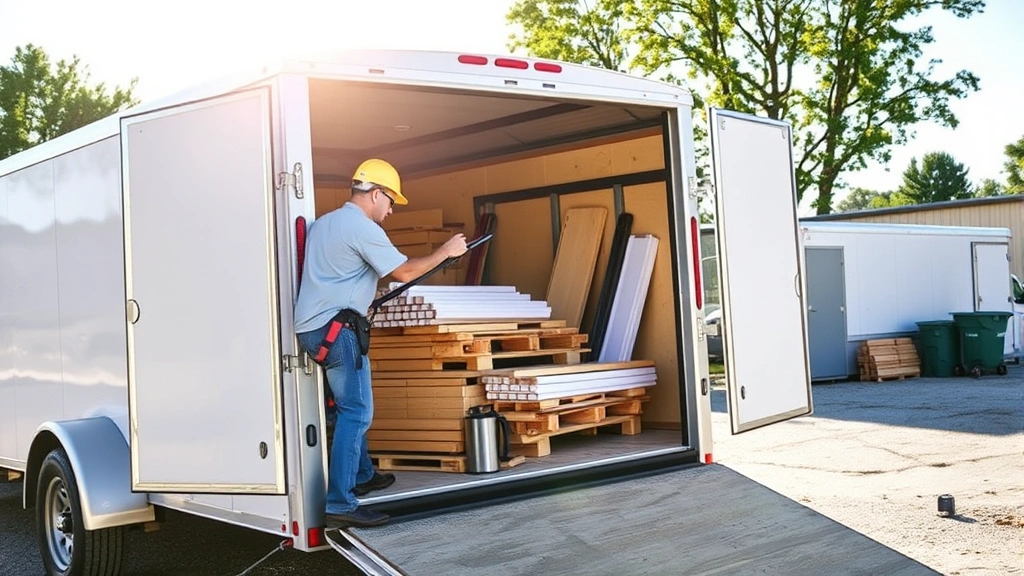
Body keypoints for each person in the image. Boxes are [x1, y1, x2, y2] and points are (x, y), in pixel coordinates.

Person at [294, 158, 467, 528]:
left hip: (316, 329)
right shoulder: (362, 228)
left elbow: (337, 276)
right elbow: (403, 272)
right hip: (337, 333)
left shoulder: (324, 223)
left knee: (351, 407)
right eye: (390, 202)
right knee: (356, 412)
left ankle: (362, 475)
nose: (390, 211)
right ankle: (341, 504)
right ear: (375, 194)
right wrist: (444, 253)